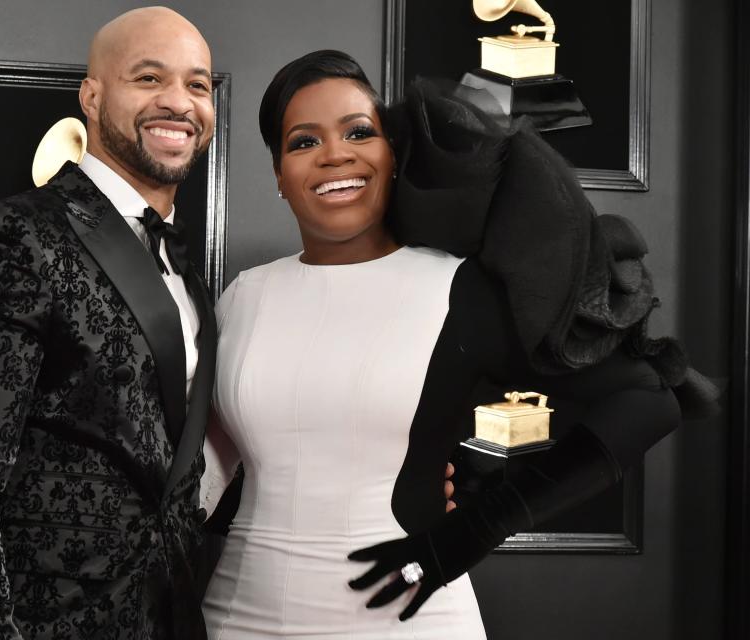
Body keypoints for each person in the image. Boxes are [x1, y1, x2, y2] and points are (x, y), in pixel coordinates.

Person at [199, 50, 682, 638]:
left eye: (359, 131)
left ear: (392, 153)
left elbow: (646, 400)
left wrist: (474, 529)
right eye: (303, 141)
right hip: (235, 616)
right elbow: (215, 471)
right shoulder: (241, 296)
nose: (335, 154)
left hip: (403, 621)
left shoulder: (457, 288)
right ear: (278, 173)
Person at [0, 7, 217, 639]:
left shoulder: (185, 267)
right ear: (92, 98)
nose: (178, 102)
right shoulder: (6, 235)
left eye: (198, 85)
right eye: (149, 78)